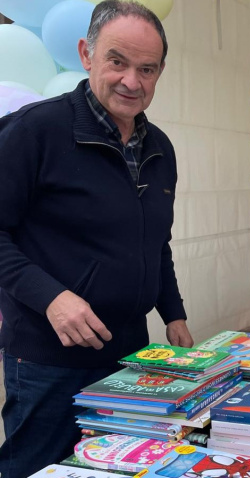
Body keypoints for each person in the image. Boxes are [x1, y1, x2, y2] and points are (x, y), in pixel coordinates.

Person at [0, 2, 193, 476]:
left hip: (133, 354)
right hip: (49, 359)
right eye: (117, 62)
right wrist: (51, 298)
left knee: (121, 467)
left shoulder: (159, 148)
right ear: (86, 55)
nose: (132, 80)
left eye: (147, 69)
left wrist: (174, 313)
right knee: (39, 469)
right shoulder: (33, 132)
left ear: (160, 72)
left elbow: (155, 242)